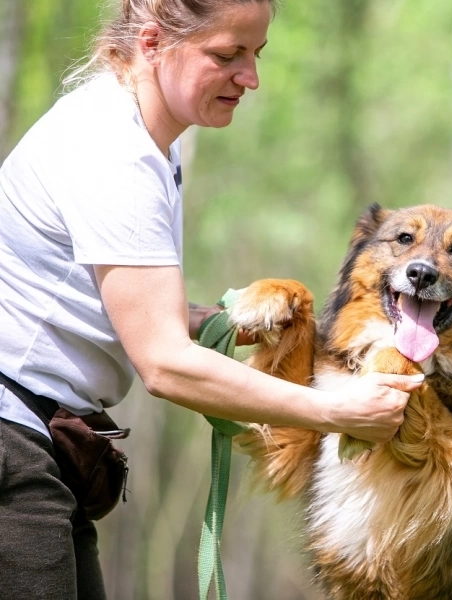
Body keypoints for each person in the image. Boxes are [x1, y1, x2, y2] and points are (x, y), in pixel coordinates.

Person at [0, 0, 424, 598]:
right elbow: (165, 365)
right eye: (227, 55)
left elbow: (108, 302)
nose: (250, 77)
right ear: (151, 43)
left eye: (256, 54)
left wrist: (219, 323)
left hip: (37, 443)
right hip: (11, 443)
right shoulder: (111, 153)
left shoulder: (145, 140)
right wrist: (338, 411)